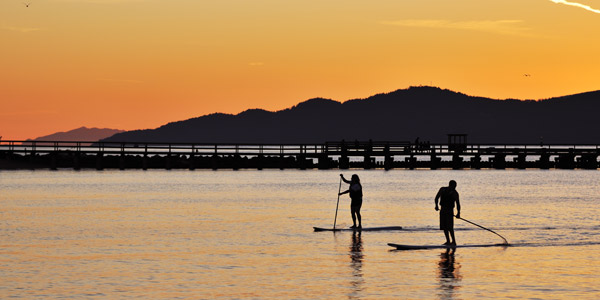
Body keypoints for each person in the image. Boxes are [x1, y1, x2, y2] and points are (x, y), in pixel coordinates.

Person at [435, 180, 461, 245]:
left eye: (455, 186)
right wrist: (436, 206)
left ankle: (454, 241)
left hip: (449, 211)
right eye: (454, 186)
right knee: (444, 226)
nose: (455, 187)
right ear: (450, 185)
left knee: (450, 227)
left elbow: (458, 204)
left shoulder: (455, 193)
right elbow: (436, 198)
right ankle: (448, 241)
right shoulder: (442, 189)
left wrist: (458, 213)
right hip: (443, 210)